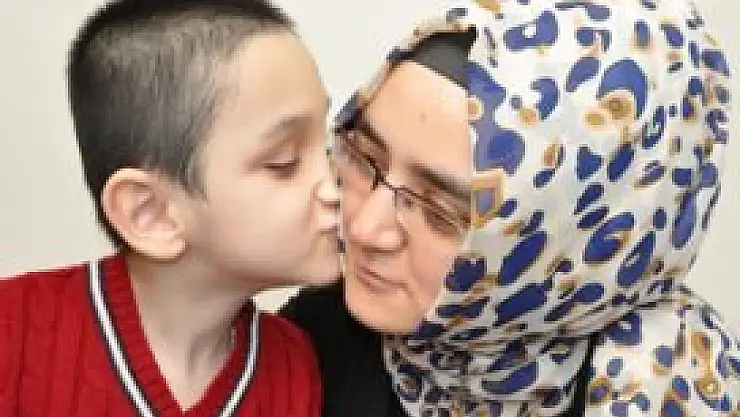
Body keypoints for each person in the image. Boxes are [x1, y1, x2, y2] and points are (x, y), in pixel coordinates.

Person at [283, 1, 739, 416]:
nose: (364, 228)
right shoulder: (312, 342)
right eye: (365, 159)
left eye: (439, 213)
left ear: (571, 248)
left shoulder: (681, 387)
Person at [0, 0, 340, 416]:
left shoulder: (294, 365)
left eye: (329, 147)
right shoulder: (13, 334)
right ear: (151, 213)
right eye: (284, 162)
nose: (334, 185)